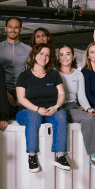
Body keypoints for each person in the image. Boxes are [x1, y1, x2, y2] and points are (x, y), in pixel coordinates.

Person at [57, 45, 95, 170]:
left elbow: (82, 96)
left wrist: (89, 109)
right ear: (58, 58)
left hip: (76, 106)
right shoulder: (54, 73)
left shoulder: (78, 74)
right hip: (62, 107)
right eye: (61, 54)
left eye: (68, 54)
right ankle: (93, 155)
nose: (65, 57)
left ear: (73, 56)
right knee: (90, 120)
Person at [16, 44, 73, 173]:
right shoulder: (24, 76)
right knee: (33, 116)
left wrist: (56, 107)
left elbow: (61, 94)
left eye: (47, 55)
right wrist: (37, 109)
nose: (44, 57)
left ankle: (60, 156)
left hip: (50, 109)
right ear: (34, 55)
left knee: (62, 114)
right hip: (28, 110)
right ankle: (32, 156)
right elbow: (21, 98)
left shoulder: (54, 75)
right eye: (41, 53)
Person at [0, 16, 32, 116]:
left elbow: (30, 74)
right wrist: (5, 93)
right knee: (7, 115)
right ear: (5, 28)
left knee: (23, 115)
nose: (13, 30)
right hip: (3, 89)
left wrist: (22, 95)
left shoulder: (28, 49)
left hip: (22, 89)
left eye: (16, 27)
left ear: (21, 29)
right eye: (10, 27)